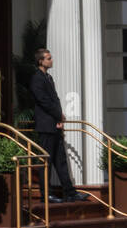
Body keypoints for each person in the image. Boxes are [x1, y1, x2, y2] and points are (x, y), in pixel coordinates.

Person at [29, 49, 87, 204]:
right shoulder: (37, 78)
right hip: (46, 126)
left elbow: (55, 99)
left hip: (54, 125)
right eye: (48, 58)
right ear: (41, 61)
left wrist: (59, 118)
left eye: (51, 58)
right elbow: (43, 101)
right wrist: (58, 115)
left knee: (61, 161)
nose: (51, 60)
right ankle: (46, 195)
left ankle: (70, 193)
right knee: (45, 162)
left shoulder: (48, 77)